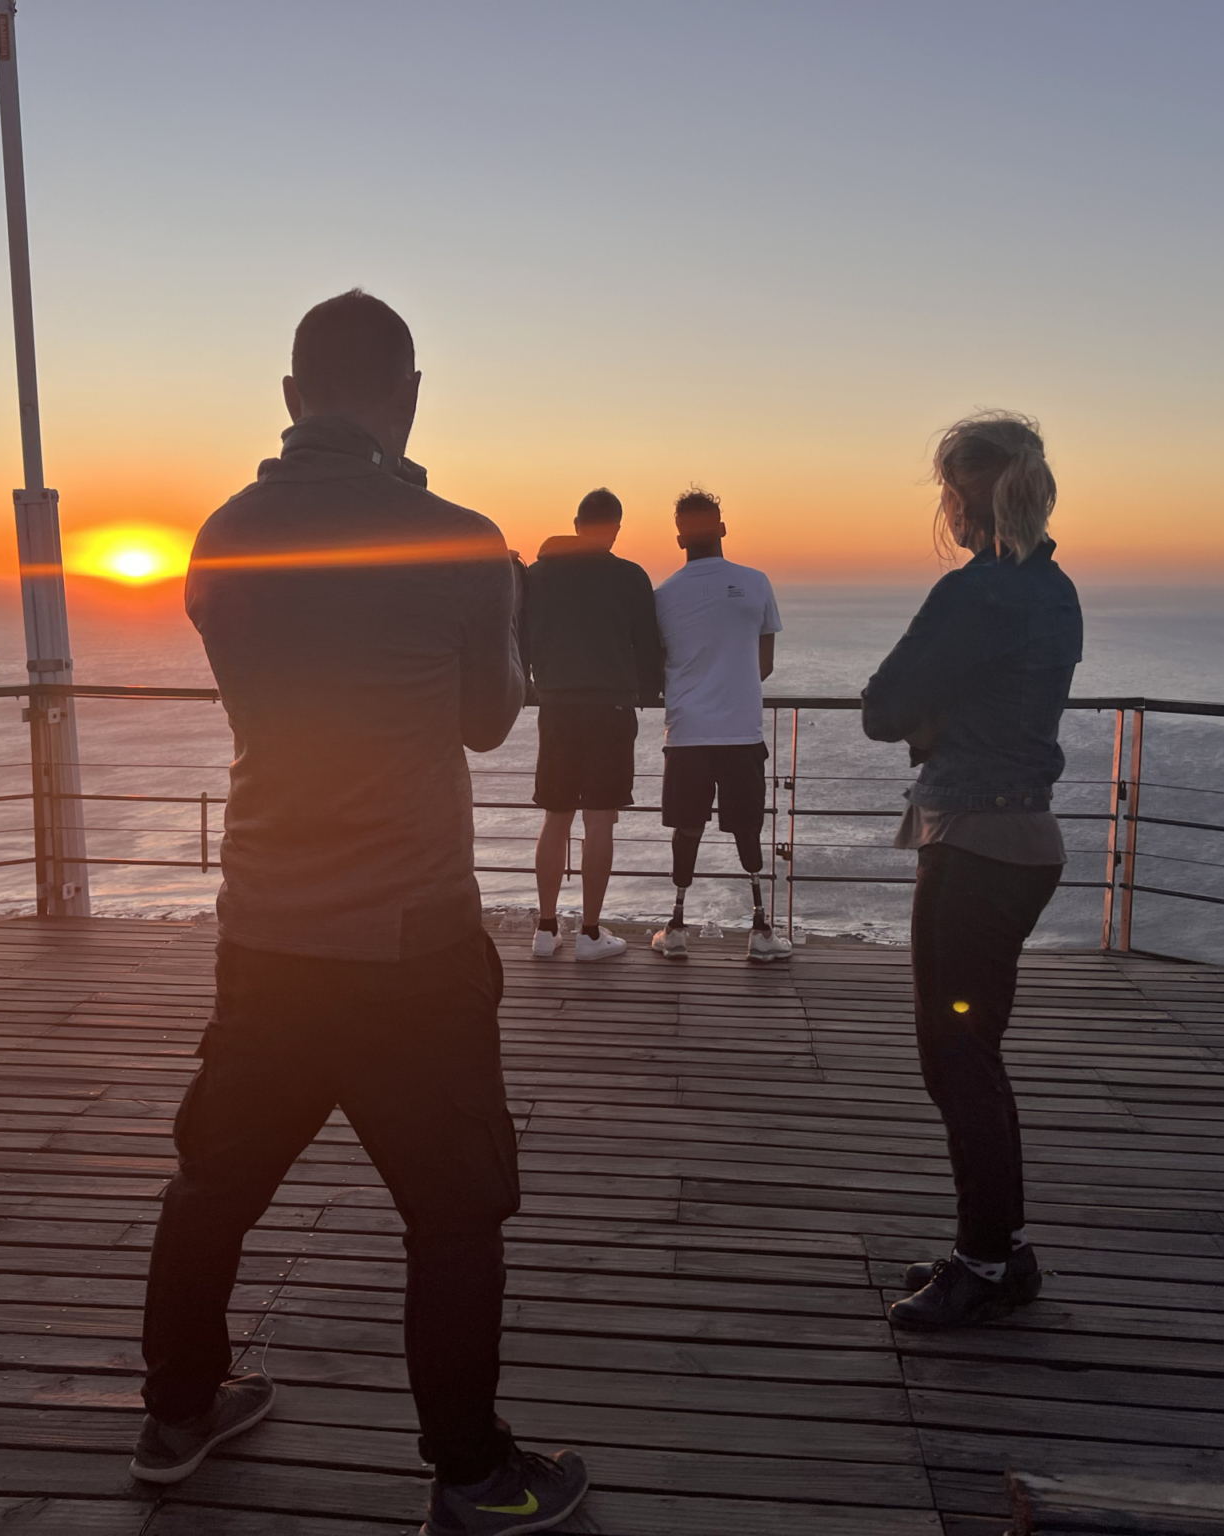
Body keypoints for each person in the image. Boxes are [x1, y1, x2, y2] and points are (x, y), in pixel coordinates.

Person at [134, 290, 590, 1535]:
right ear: (409, 395)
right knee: (453, 1216)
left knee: (210, 1184)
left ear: (288, 399)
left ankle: (175, 1416)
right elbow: (488, 719)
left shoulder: (220, 538)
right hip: (412, 942)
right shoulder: (457, 537)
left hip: (266, 931)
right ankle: (469, 1474)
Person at [861, 412, 1081, 1330]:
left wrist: (927, 720)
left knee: (956, 1056)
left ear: (964, 493)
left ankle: (987, 1261)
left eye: (946, 490)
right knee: (969, 1056)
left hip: (972, 847)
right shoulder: (1055, 588)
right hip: (1019, 841)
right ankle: (996, 1246)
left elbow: (881, 707)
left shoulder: (975, 592)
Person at [649, 488, 792, 964]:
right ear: (723, 529)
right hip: (741, 729)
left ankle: (675, 928)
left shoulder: (663, 595)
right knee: (747, 827)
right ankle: (760, 931)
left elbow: (657, 665)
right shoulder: (756, 583)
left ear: (679, 538)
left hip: (687, 732)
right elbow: (763, 665)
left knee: (687, 828)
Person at [521, 488, 663, 962]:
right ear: (615, 528)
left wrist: (537, 684)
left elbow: (522, 637)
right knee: (600, 820)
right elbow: (648, 648)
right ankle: (590, 933)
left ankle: (545, 929)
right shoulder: (629, 577)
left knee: (554, 816)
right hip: (611, 710)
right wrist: (648, 693)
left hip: (556, 706)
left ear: (577, 522)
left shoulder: (538, 576)